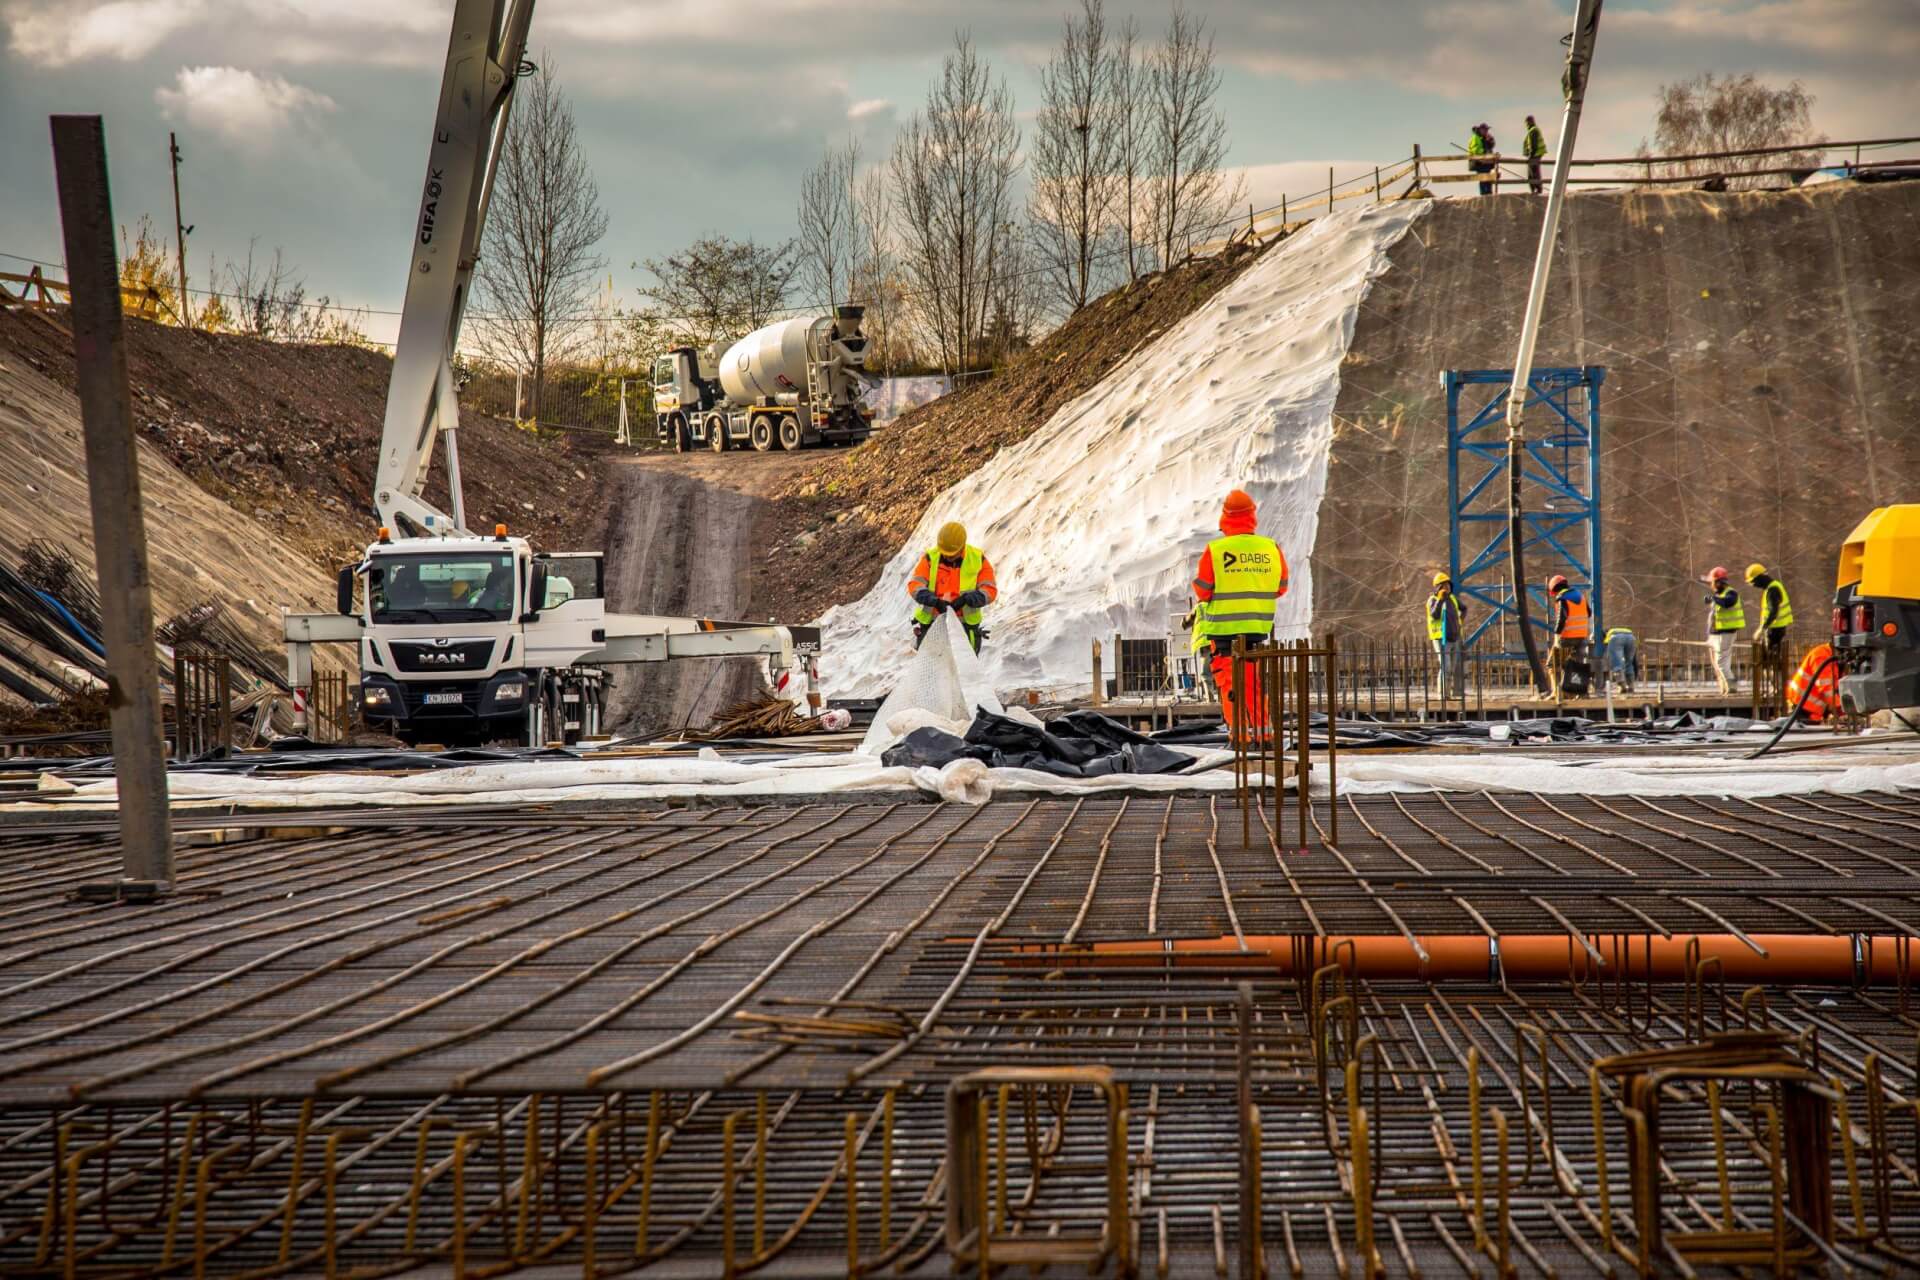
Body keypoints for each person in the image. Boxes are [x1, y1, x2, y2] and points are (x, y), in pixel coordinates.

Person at [1192, 488, 1289, 742]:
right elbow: (1281, 587)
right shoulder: (1270, 548)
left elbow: (1203, 591)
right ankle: (1263, 736)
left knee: (1230, 685)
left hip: (1224, 634)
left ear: (1225, 516)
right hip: (1256, 629)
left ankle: (1240, 739)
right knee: (1253, 686)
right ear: (1252, 516)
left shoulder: (1215, 550)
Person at [907, 521, 996, 653]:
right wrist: (934, 601)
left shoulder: (977, 559)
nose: (947, 557)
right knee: (934, 668)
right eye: (944, 553)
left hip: (965, 625)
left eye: (951, 554)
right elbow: (915, 585)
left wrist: (968, 598)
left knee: (963, 669)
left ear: (962, 548)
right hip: (932, 623)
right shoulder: (930, 558)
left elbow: (989, 590)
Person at [1546, 574, 1590, 698]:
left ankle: (1557, 693)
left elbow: (1561, 619)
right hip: (1582, 638)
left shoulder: (1562, 598)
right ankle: (1581, 694)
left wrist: (1556, 635)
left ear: (1554, 589)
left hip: (1567, 638)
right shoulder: (1581, 596)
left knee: (1552, 664)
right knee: (1577, 666)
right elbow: (1589, 613)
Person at [1426, 572, 1467, 700]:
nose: (1447, 587)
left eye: (1448, 585)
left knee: (1451, 668)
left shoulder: (1453, 598)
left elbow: (1464, 608)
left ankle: (1447, 695)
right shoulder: (1433, 600)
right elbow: (1435, 615)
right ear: (1438, 587)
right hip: (1441, 638)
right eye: (1444, 585)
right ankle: (1442, 695)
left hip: (1454, 637)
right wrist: (1440, 600)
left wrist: (1460, 621)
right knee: (1446, 667)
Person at [1702, 565, 1743, 695]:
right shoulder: (1719, 594)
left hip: (1725, 634)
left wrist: (1714, 599)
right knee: (1718, 663)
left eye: (1712, 582)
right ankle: (1724, 688)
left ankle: (1731, 686)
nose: (1711, 585)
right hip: (1716, 634)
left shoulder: (1731, 593)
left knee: (1721, 662)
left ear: (1719, 582)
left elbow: (1728, 602)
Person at [1602, 625, 1637, 693]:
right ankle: (1631, 686)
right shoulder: (1622, 629)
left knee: (1617, 663)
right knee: (1629, 663)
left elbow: (1606, 649)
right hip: (1631, 637)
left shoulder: (1609, 634)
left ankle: (1622, 686)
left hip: (1616, 638)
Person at [1467, 123, 1498, 195]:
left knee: (1488, 178)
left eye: (1487, 130)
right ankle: (1484, 194)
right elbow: (1475, 149)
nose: (1486, 131)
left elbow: (1491, 145)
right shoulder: (1475, 137)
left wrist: (1489, 141)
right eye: (1485, 130)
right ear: (1480, 130)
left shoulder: (1485, 137)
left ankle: (1489, 193)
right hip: (1479, 162)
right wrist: (1484, 151)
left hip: (1486, 162)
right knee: (1483, 178)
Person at [1522, 114, 1548, 194]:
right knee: (1534, 172)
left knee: (1533, 172)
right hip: (1537, 154)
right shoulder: (1533, 130)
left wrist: (1531, 154)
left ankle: (1536, 189)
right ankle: (1536, 189)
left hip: (1535, 154)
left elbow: (1533, 145)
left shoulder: (1533, 130)